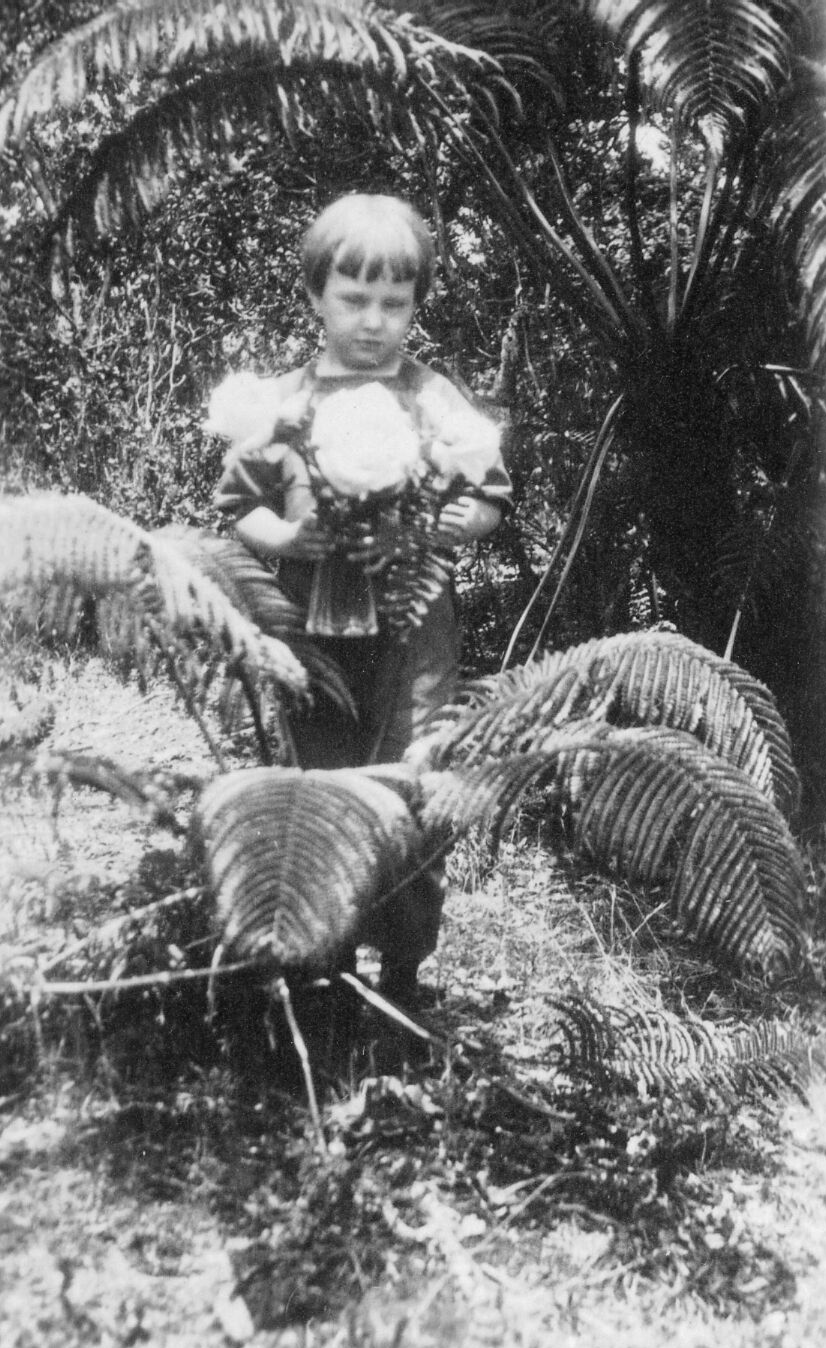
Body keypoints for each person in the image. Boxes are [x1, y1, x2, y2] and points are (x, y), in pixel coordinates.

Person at [211, 192, 512, 1000]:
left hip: (413, 634)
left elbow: (487, 495)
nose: (375, 320)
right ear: (315, 296)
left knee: (410, 780)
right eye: (355, 298)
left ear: (416, 303)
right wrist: (287, 540)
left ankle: (404, 964)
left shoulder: (432, 397)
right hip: (311, 633)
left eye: (395, 302)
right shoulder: (285, 404)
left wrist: (456, 521)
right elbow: (239, 508)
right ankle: (327, 961)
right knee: (321, 784)